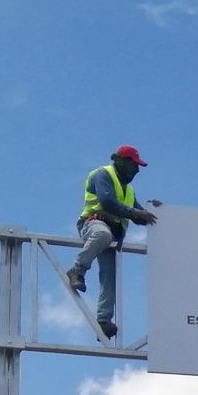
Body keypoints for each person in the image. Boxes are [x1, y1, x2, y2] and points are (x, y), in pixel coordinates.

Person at [66, 145, 157, 340]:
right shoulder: (103, 174)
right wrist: (136, 213)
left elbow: (139, 216)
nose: (137, 170)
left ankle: (103, 320)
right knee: (101, 235)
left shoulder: (128, 191)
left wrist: (155, 212)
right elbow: (107, 202)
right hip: (94, 223)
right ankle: (77, 270)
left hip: (113, 236)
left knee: (110, 278)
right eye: (134, 165)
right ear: (122, 161)